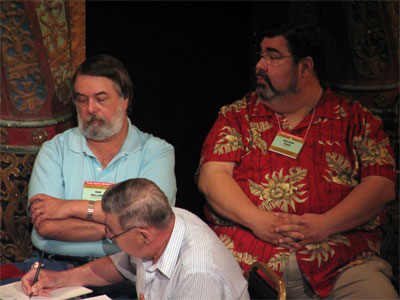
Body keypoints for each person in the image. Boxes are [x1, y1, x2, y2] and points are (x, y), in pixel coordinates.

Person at [197, 22, 398, 299]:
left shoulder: (355, 118)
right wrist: (256, 220)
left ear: (305, 67)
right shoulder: (237, 116)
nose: (260, 65)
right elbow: (213, 177)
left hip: (342, 261)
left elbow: (381, 185)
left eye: (273, 56)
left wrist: (326, 224)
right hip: (244, 259)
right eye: (261, 55)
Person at [28, 54, 177, 259]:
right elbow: (45, 225)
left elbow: (150, 219)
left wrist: (67, 208)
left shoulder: (156, 152)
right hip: (56, 265)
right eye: (82, 99)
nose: (90, 108)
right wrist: (123, 228)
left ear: (125, 100)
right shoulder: (55, 150)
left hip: (129, 271)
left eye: (100, 99)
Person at [22, 178, 250, 300]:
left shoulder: (198, 275)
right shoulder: (165, 221)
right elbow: (119, 265)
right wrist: (58, 279)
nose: (108, 236)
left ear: (143, 235)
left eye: (112, 232)